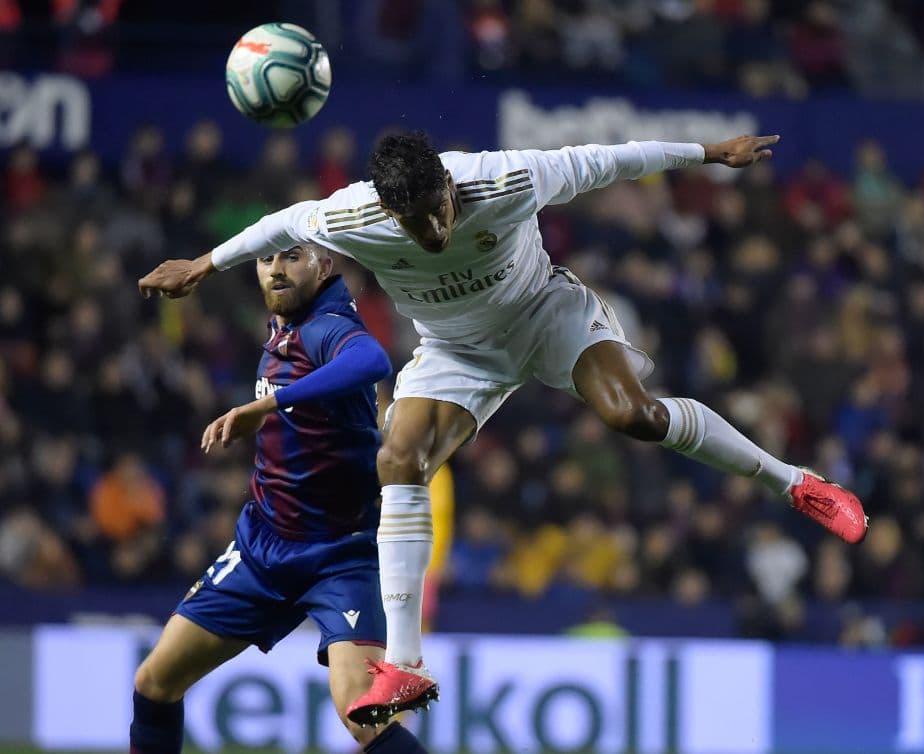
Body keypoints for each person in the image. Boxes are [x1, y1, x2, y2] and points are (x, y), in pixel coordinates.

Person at [138, 131, 869, 725]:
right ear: (387, 211)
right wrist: (204, 264)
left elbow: (613, 159)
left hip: (544, 315)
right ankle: (405, 664)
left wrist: (709, 153)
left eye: (437, 210)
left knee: (634, 415)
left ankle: (797, 484)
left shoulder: (505, 177)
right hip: (457, 352)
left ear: (447, 184)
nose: (432, 231)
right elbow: (283, 222)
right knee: (398, 459)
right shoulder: (351, 216)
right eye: (413, 222)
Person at [131, 244, 429, 754]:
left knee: (363, 715)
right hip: (262, 547)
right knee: (154, 682)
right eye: (266, 260)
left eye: (292, 257)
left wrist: (268, 404)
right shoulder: (285, 327)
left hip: (340, 556)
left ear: (324, 266)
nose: (276, 270)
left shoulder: (327, 325)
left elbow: (372, 359)